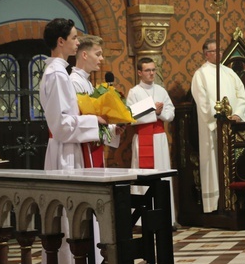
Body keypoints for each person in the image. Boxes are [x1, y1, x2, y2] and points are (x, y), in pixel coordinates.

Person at [39, 18, 104, 264]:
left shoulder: (60, 73)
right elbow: (62, 125)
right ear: (61, 41)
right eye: (75, 38)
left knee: (72, 216)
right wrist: (94, 122)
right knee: (68, 216)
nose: (78, 43)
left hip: (69, 149)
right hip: (64, 152)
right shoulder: (56, 76)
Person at [191, 38, 245, 213]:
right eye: (214, 51)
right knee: (214, 162)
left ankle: (236, 200)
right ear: (206, 53)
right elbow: (202, 102)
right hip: (214, 127)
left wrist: (237, 114)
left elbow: (241, 96)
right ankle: (216, 204)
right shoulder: (200, 75)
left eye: (221, 50)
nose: (219, 54)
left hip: (233, 125)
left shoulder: (229, 73)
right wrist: (219, 117)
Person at [126, 57, 177, 226]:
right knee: (142, 175)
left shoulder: (161, 90)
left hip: (159, 138)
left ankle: (165, 217)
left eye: (153, 70)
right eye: (147, 70)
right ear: (139, 72)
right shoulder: (134, 92)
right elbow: (130, 116)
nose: (151, 73)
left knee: (162, 175)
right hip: (142, 138)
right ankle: (141, 220)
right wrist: (153, 111)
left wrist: (160, 113)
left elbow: (171, 113)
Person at [70, 35, 121, 166]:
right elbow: (77, 120)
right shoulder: (74, 82)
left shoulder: (86, 82)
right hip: (82, 148)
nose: (101, 59)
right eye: (98, 54)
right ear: (85, 55)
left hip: (92, 144)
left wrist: (113, 129)